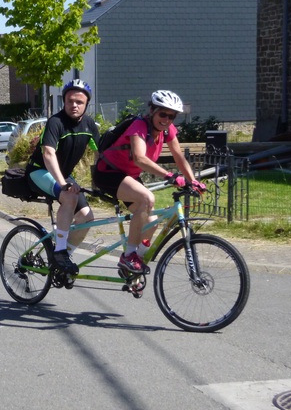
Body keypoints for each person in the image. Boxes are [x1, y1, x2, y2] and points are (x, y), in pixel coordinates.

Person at [93, 90, 206, 275]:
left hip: (129, 177)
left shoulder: (168, 130)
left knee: (152, 221)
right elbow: (139, 158)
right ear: (152, 110)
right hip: (108, 172)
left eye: (172, 116)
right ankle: (128, 256)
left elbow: (179, 156)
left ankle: (135, 264)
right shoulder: (139, 126)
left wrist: (193, 180)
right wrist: (170, 176)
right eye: (163, 114)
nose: (167, 119)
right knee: (147, 198)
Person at [25, 79, 100, 276]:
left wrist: (100, 181)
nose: (74, 105)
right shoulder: (55, 122)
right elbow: (48, 154)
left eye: (79, 102)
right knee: (69, 196)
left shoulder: (89, 124)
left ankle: (63, 258)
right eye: (69, 101)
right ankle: (59, 251)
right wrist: (63, 183)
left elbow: (101, 154)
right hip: (40, 172)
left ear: (86, 104)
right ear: (64, 102)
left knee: (86, 218)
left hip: (64, 175)